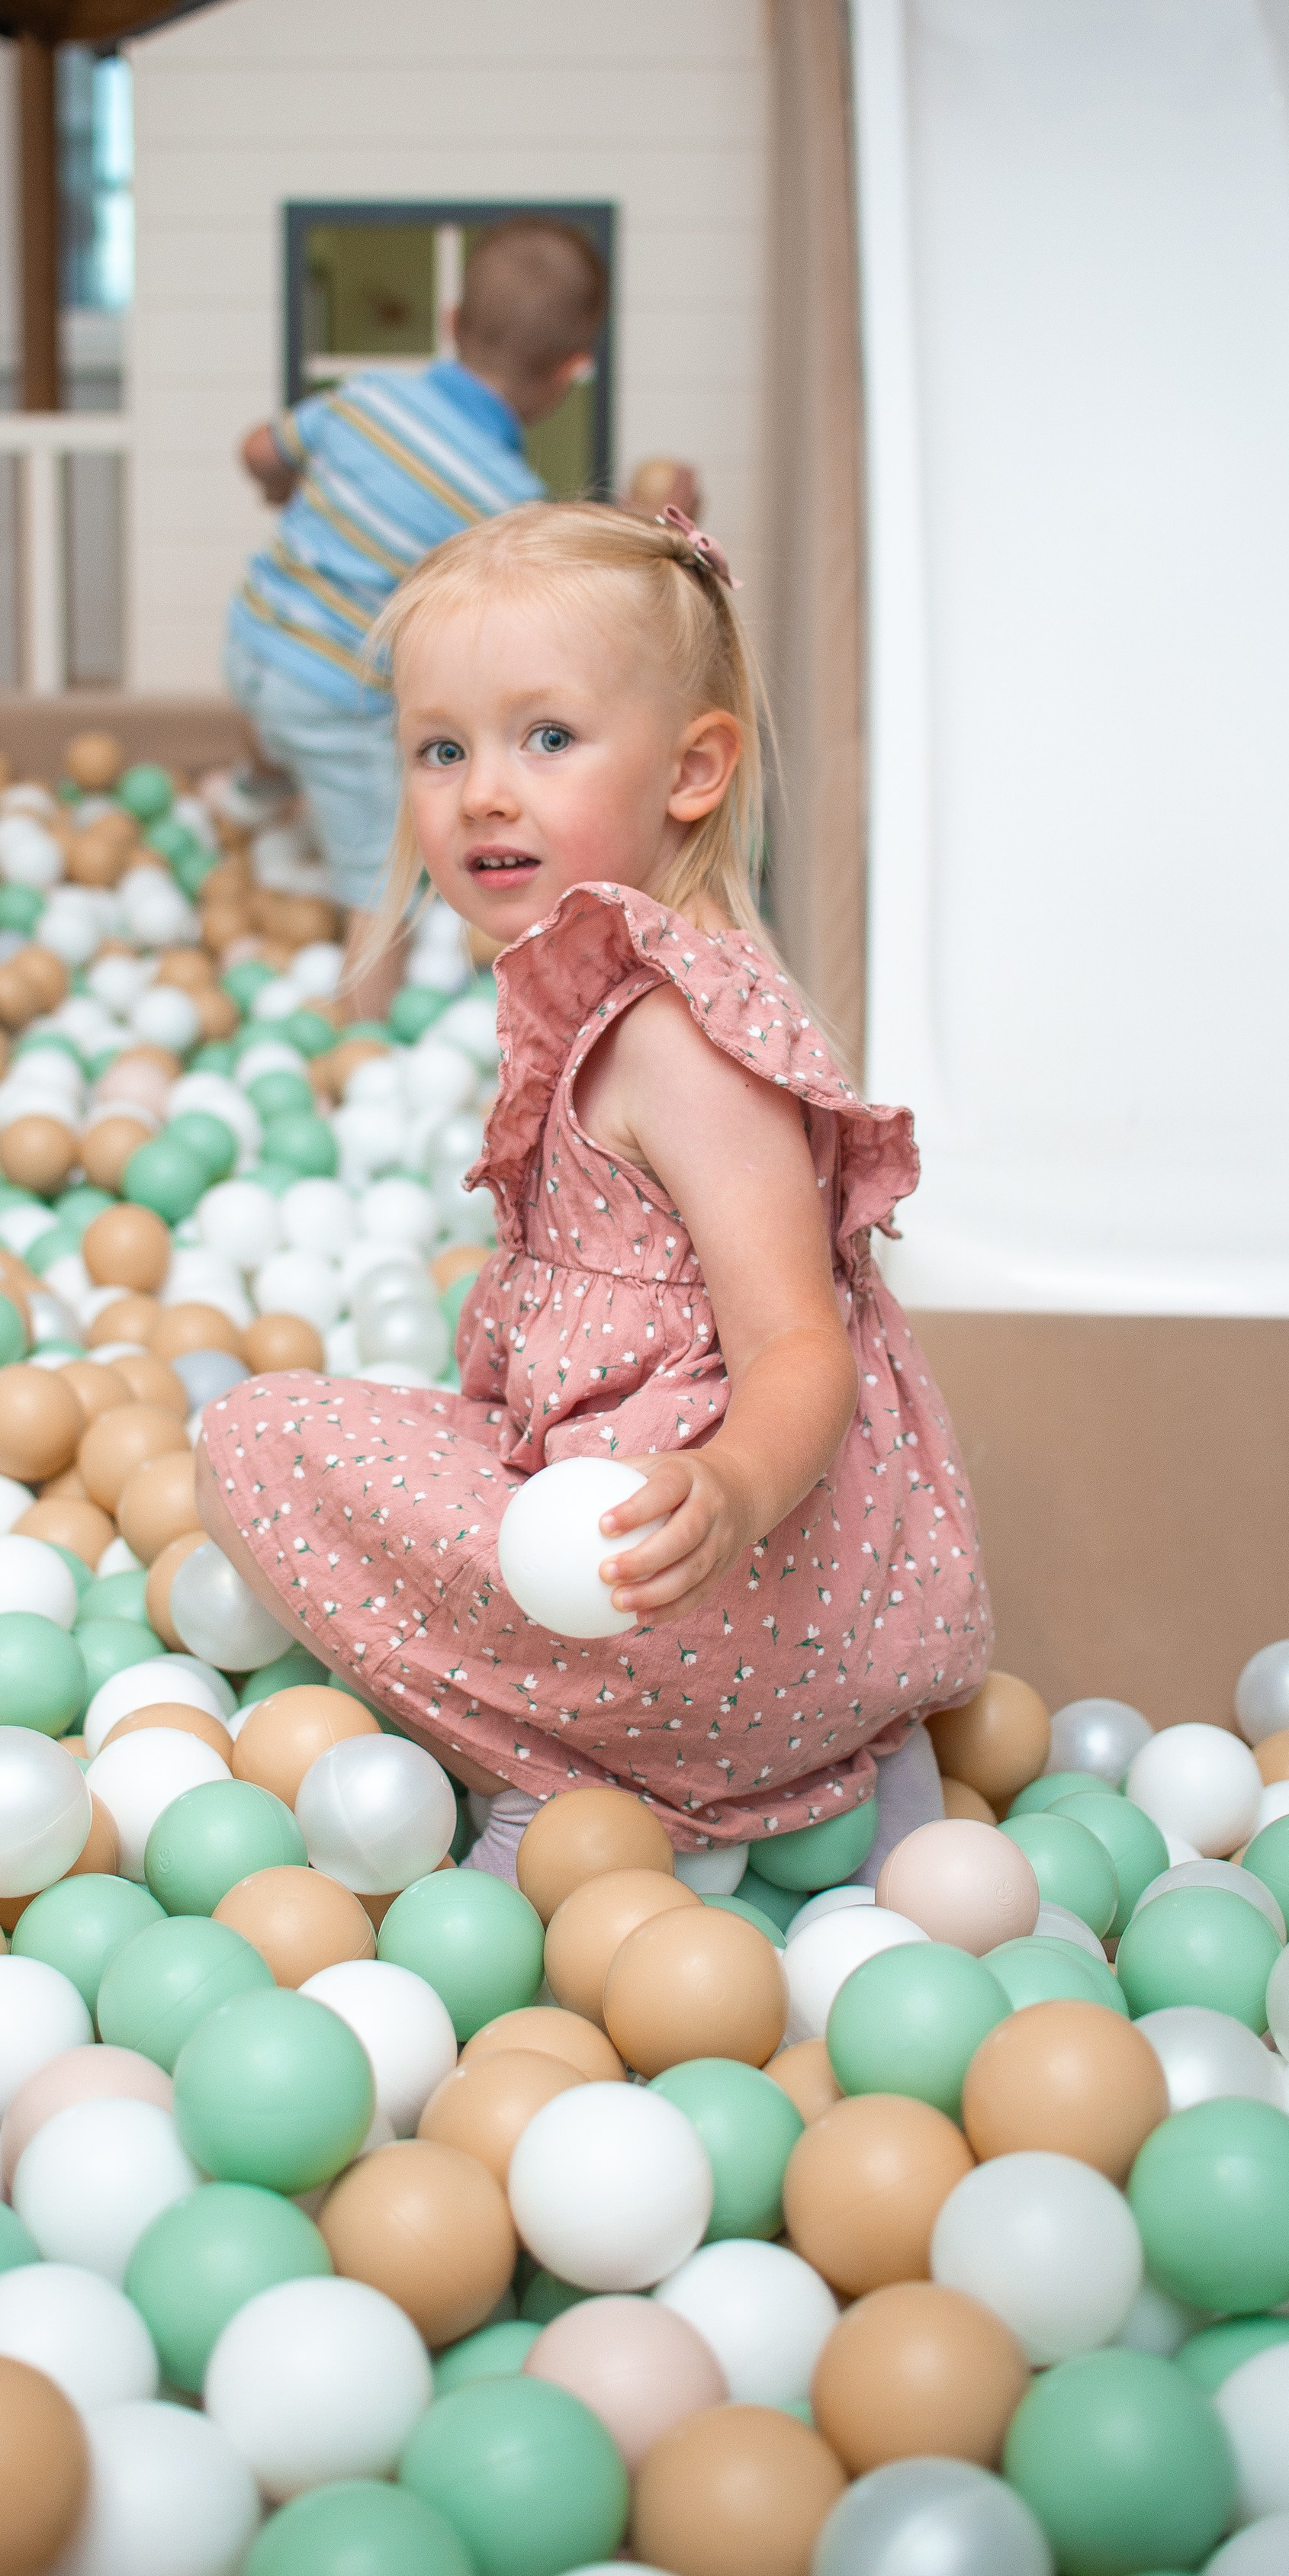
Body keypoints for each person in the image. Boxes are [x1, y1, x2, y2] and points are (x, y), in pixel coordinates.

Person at [195, 499, 991, 1880]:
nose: (483, 791)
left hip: (689, 1591)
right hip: (724, 1601)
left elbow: (801, 1345)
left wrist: (731, 1490)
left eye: (546, 739)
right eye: (441, 749)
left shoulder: (681, 1039)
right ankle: (801, 1756)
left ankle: (591, 1781)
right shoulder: (616, 996)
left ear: (694, 770)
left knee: (252, 1441)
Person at [227, 217, 609, 1020]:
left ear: (447, 321)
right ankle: (362, 1039)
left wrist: (280, 485)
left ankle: (257, 787)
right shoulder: (502, 502)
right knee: (384, 876)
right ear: (570, 373)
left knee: (275, 702)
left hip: (252, 637)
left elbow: (261, 449)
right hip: (332, 696)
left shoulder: (364, 399)